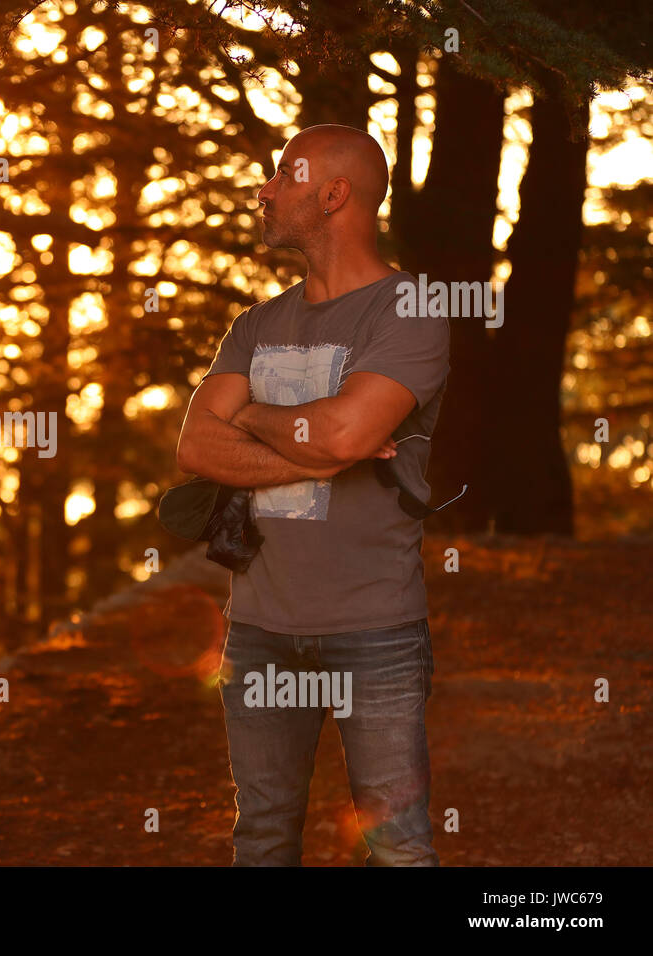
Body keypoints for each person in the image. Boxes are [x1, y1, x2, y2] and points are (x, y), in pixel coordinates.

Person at [175, 124, 450, 866]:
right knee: (262, 838)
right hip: (259, 627)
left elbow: (346, 436)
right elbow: (196, 445)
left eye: (284, 176)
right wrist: (318, 450)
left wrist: (255, 421)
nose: (265, 190)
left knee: (397, 847)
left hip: (376, 629)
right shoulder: (255, 325)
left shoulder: (410, 309)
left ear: (335, 195)